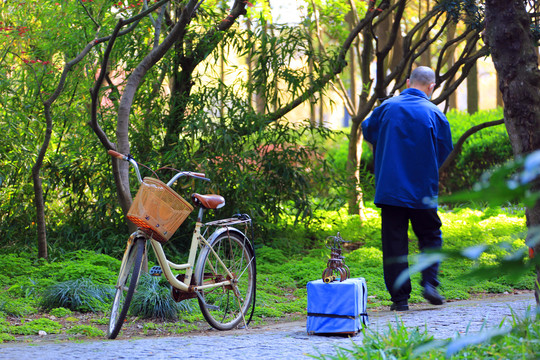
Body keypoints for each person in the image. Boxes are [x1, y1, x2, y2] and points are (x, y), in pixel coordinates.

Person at [361, 66, 453, 311]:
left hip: (391, 190)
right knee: (431, 235)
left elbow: (368, 130)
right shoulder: (435, 113)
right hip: (422, 190)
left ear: (409, 81)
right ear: (431, 87)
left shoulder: (387, 107)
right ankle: (430, 283)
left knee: (394, 244)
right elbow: (444, 149)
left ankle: (400, 300)